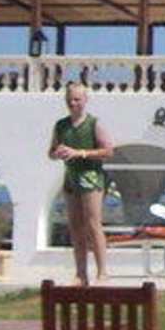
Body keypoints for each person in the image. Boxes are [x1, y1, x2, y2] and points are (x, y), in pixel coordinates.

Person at [48, 82, 113, 285]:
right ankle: (80, 273)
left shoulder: (94, 124)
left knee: (93, 224)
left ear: (85, 100)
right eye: (69, 99)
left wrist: (80, 153)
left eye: (77, 99)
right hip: (71, 177)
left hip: (91, 177)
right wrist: (58, 153)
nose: (73, 103)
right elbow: (51, 152)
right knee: (75, 226)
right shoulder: (61, 125)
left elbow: (108, 151)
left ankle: (102, 272)